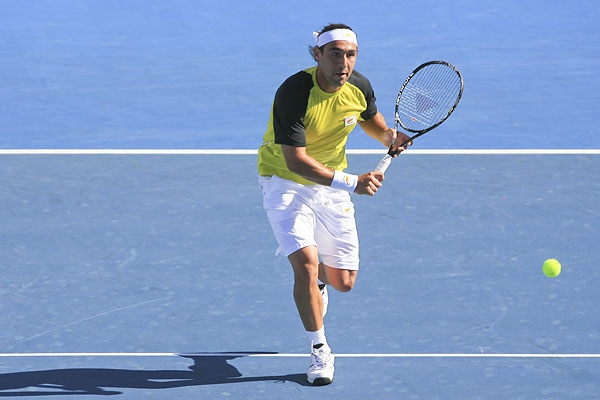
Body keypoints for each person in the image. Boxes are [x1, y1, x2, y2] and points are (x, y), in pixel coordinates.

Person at [257, 23, 410, 386]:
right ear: (318, 55)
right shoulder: (294, 92)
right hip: (285, 181)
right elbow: (296, 161)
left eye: (350, 55)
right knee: (305, 264)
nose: (344, 63)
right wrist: (353, 182)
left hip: (329, 188)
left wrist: (389, 137)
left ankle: (320, 285)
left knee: (343, 282)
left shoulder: (359, 86)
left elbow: (372, 123)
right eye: (335, 54)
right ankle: (319, 349)